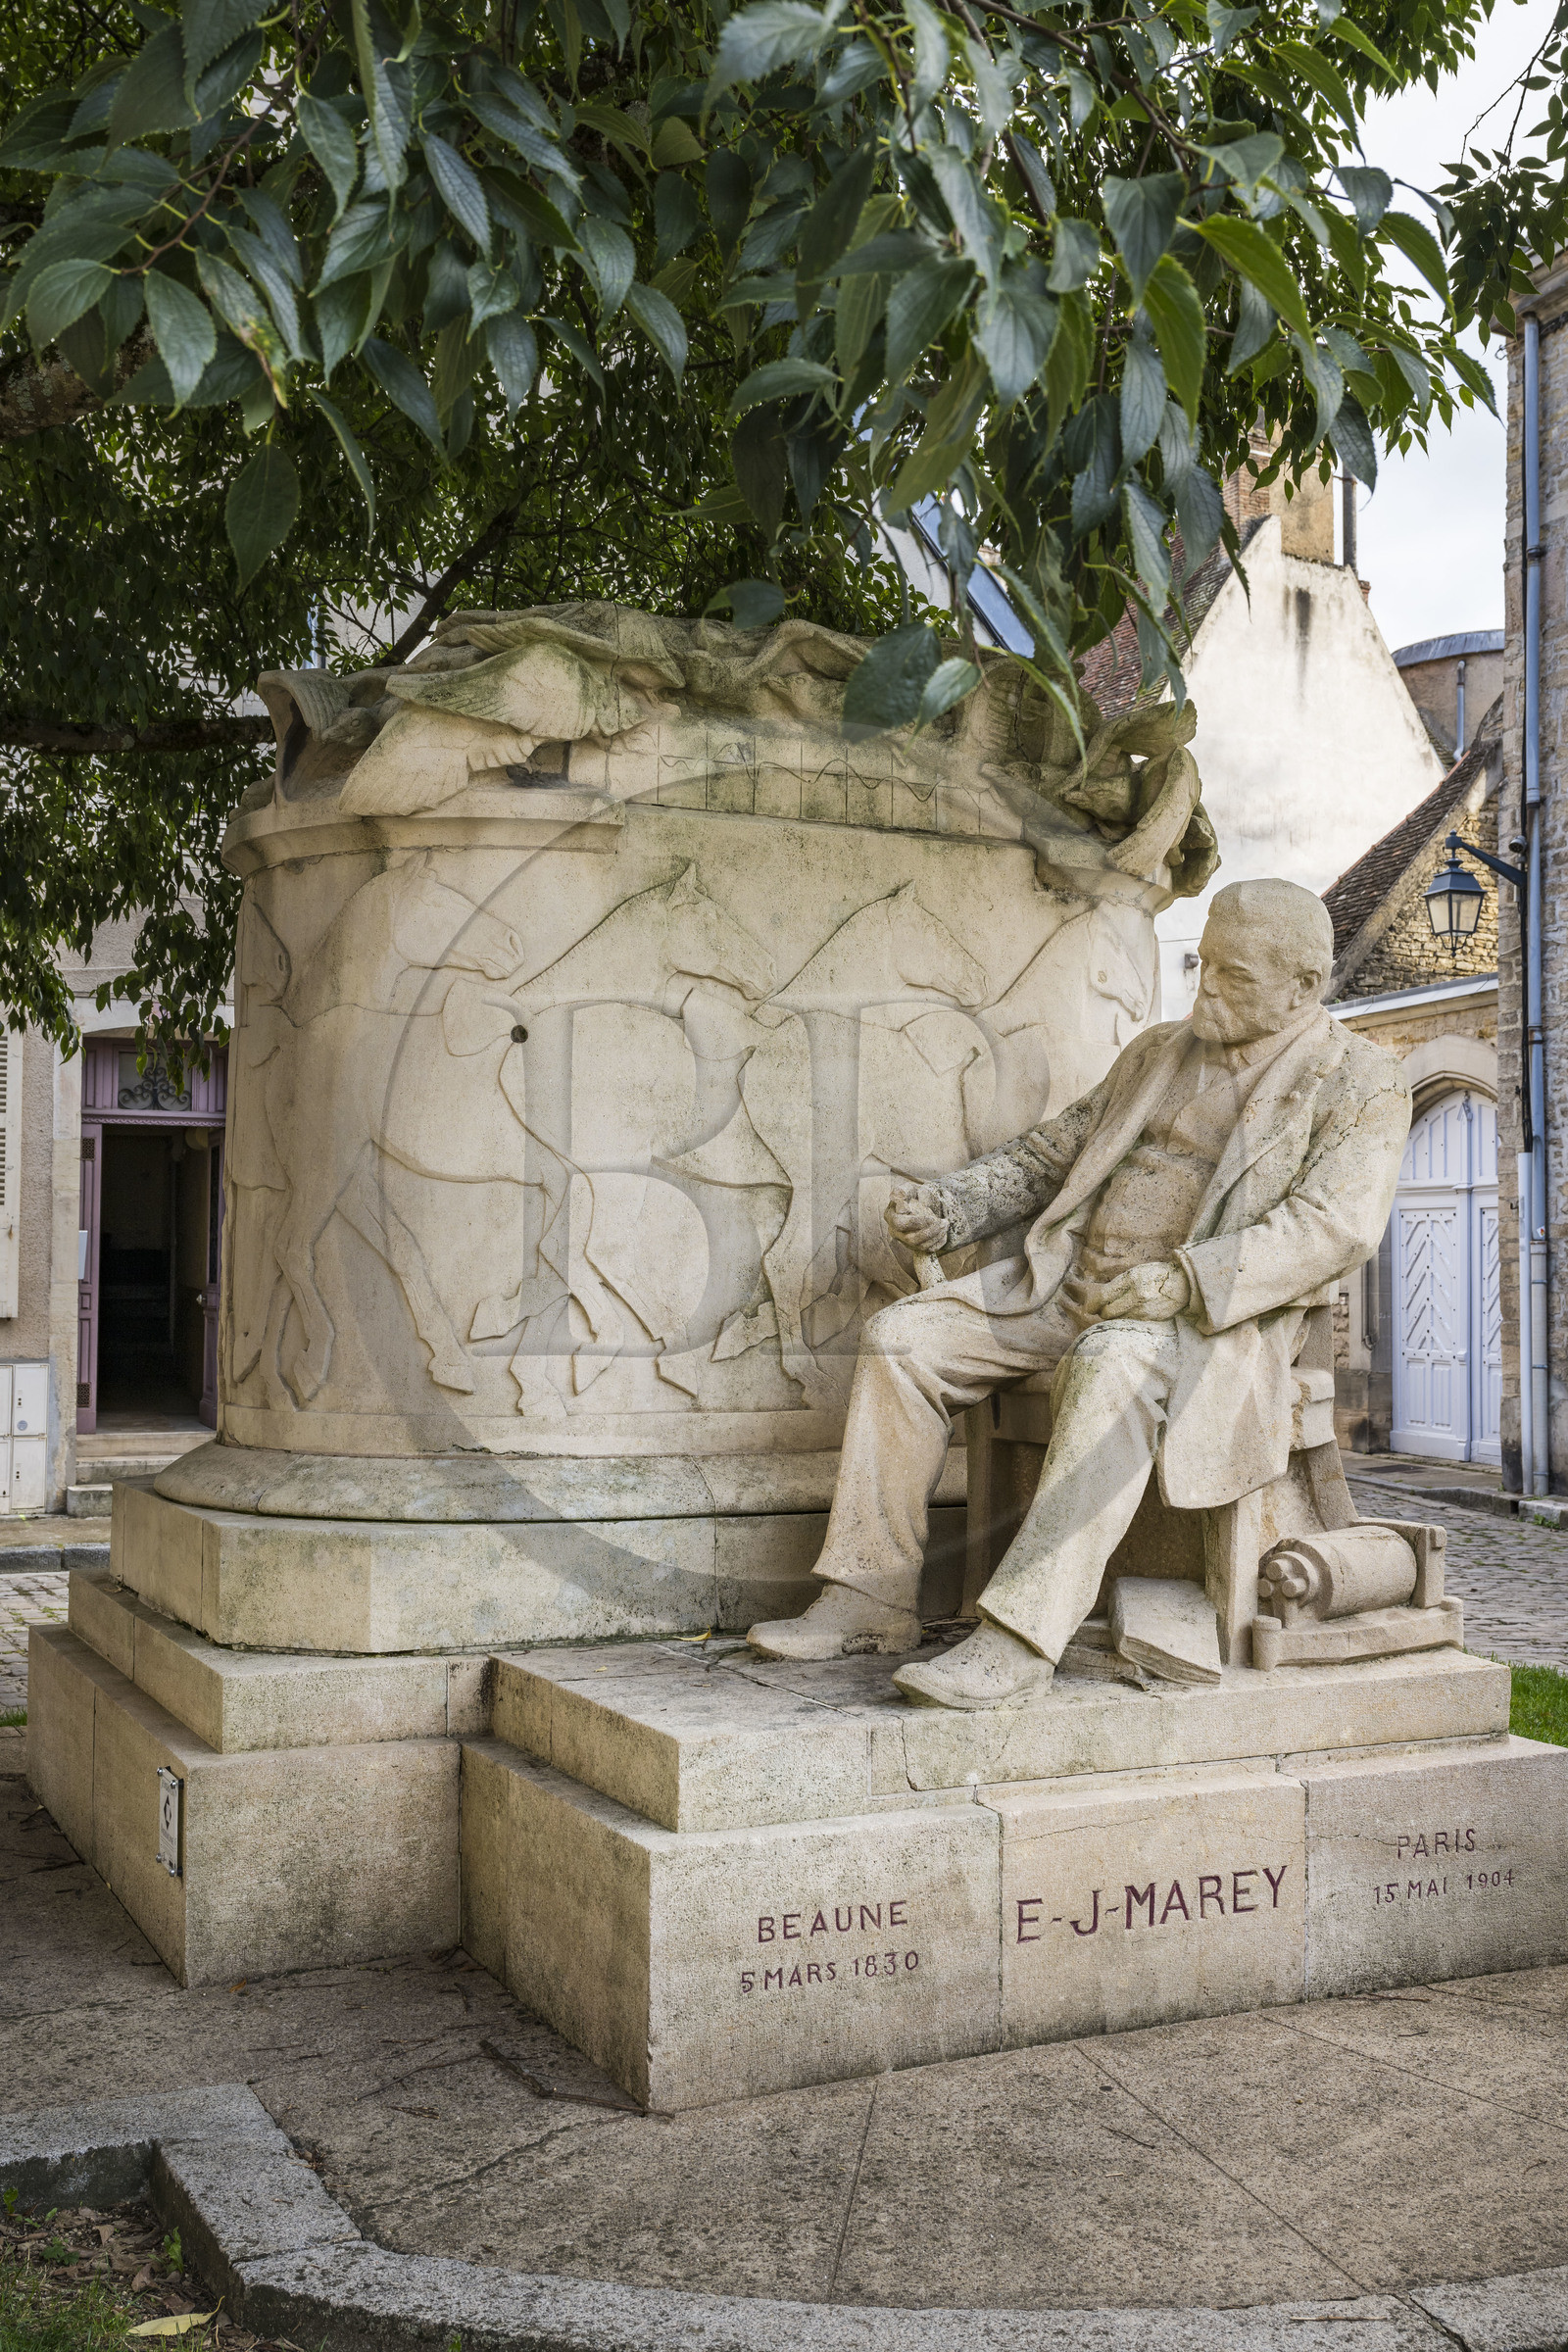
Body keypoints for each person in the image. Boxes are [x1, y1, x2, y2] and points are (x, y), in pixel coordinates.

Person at [747, 877, 1410, 1710]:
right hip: (1064, 1291)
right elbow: (1049, 1154)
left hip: (1203, 1325)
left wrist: (1183, 1281)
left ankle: (1021, 1636)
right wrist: (951, 1208)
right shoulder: (1157, 1053)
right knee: (902, 1340)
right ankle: (868, 1598)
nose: (1204, 986)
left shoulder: (1360, 1080)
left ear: (1303, 987)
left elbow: (1333, 1226)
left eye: (1233, 975)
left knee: (1112, 1362)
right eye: (1203, 963)